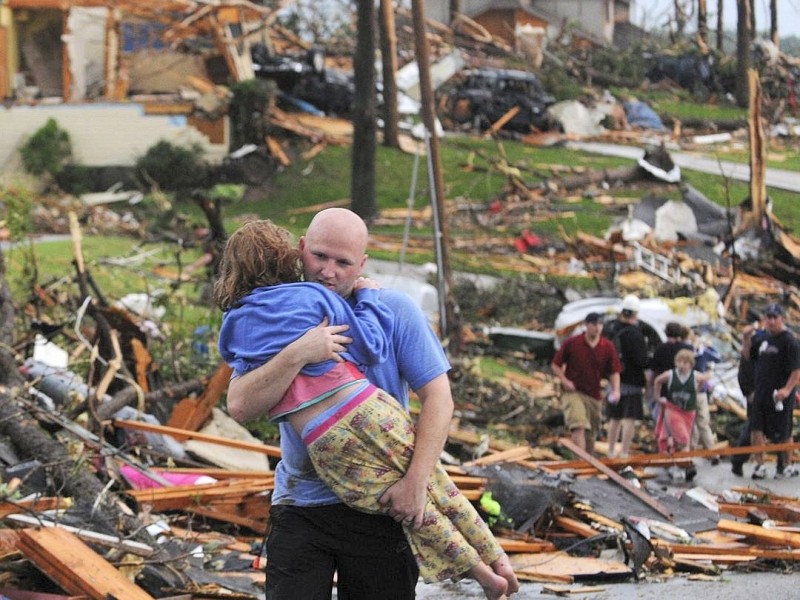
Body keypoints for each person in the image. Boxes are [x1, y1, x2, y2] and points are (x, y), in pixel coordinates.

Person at [223, 210, 518, 599]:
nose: (329, 271)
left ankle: (494, 568)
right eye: (320, 257)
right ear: (300, 251)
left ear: (362, 264)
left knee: (437, 499)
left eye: (343, 262)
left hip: (384, 504)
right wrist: (298, 353)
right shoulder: (280, 313)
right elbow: (241, 405)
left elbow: (438, 398)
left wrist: (414, 484)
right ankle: (488, 571)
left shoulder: (395, 309)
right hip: (302, 503)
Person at [550, 312, 621, 455]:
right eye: (594, 324)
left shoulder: (607, 346)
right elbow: (556, 365)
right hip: (573, 391)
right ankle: (580, 462)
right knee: (578, 424)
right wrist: (565, 380)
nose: (597, 328)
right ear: (586, 325)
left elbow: (614, 371)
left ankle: (588, 463)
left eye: (600, 324)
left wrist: (616, 390)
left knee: (590, 434)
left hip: (594, 394)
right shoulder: (573, 343)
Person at [744, 303, 800, 480]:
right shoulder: (761, 338)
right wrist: (746, 338)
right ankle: (759, 465)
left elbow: (796, 370)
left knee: (784, 430)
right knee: (756, 428)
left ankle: (786, 464)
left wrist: (787, 389)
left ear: (782, 319)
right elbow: (747, 357)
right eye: (768, 317)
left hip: (780, 394)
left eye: (775, 317)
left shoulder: (789, 341)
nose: (771, 320)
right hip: (761, 391)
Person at [604, 294, 648, 458]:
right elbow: (642, 360)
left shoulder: (611, 328)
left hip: (614, 379)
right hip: (633, 381)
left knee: (614, 417)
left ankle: (610, 450)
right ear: (635, 314)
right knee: (630, 417)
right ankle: (624, 452)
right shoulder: (635, 334)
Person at [651, 349, 714, 454]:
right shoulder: (671, 375)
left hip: (688, 412)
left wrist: (697, 389)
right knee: (682, 436)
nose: (681, 365)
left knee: (683, 436)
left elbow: (705, 379)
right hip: (673, 409)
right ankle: (683, 457)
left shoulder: (694, 376)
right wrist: (657, 397)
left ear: (691, 364)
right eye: (679, 362)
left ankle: (678, 459)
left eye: (685, 363)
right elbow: (658, 380)